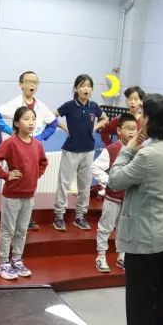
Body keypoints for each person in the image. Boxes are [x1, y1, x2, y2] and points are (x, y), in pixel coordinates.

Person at [108, 94, 163, 325]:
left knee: (140, 304)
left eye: (142, 113)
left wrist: (129, 147)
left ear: (151, 119)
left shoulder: (147, 155)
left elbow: (115, 180)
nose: (138, 118)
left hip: (146, 241)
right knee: (160, 302)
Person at [0, 107, 48, 280]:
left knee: (22, 230)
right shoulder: (11, 143)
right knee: (8, 230)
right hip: (12, 195)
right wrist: (6, 175)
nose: (31, 122)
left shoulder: (37, 144)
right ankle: (3, 262)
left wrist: (35, 174)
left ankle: (17, 259)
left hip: (29, 195)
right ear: (16, 123)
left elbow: (43, 162)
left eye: (33, 119)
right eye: (26, 119)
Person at [0, 71, 60, 232]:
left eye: (35, 82)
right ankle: (9, 216)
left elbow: (53, 123)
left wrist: (41, 137)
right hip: (16, 148)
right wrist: (10, 131)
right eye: (28, 81)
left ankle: (26, 218)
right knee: (14, 181)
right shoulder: (14, 103)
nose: (32, 85)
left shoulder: (41, 106)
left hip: (32, 148)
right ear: (21, 84)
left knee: (29, 183)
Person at [52, 74, 108, 232]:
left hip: (88, 151)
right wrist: (64, 128)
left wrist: (94, 128)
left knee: (85, 185)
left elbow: (104, 119)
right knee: (64, 184)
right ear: (76, 88)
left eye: (89, 86)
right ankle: (59, 216)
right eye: (83, 85)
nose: (86, 89)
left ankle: (80, 216)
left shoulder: (94, 106)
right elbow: (51, 116)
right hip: (71, 150)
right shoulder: (69, 106)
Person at [91, 113, 137, 273]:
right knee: (105, 227)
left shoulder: (140, 151)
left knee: (125, 229)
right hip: (112, 198)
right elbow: (95, 167)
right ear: (119, 130)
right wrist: (109, 181)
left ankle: (122, 256)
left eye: (134, 129)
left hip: (130, 199)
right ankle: (101, 256)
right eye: (127, 128)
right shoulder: (111, 150)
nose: (131, 132)